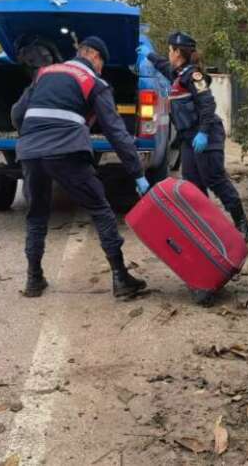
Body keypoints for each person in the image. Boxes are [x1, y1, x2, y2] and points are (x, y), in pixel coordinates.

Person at [11, 37, 150, 299]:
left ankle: (33, 279)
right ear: (94, 56)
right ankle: (121, 278)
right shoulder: (94, 82)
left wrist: (33, 135)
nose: (101, 69)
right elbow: (116, 132)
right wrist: (137, 173)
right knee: (100, 209)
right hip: (67, 151)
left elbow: (17, 114)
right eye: (102, 63)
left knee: (37, 214)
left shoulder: (44, 73)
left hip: (30, 152)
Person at [140, 32, 248, 242]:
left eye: (170, 50)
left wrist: (203, 132)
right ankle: (207, 227)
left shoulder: (194, 76)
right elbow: (164, 66)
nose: (168, 53)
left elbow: (208, 104)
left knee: (215, 179)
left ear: (177, 52)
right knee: (192, 184)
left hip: (207, 134)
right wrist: (149, 55)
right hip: (188, 137)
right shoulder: (178, 74)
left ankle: (242, 222)